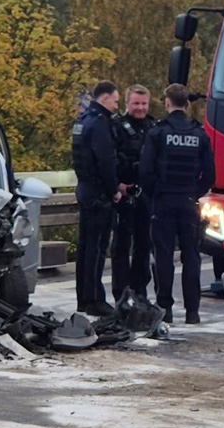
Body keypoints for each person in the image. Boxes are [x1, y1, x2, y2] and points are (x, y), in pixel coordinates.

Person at [139, 83, 215, 325]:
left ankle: (165, 309)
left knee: (163, 255)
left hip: (164, 201)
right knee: (191, 256)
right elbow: (210, 174)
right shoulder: (199, 134)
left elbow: (145, 171)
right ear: (187, 103)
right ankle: (192, 312)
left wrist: (155, 195)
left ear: (167, 102)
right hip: (188, 202)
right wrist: (194, 193)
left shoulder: (158, 132)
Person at [72, 81, 123, 316]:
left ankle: (83, 298)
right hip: (98, 193)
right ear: (104, 99)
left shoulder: (83, 120)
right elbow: (106, 161)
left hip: (84, 189)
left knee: (85, 248)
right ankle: (94, 299)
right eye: (115, 100)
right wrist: (114, 190)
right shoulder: (101, 124)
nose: (116, 105)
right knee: (97, 248)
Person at [112, 84, 156, 302]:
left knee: (144, 244)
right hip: (124, 192)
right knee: (121, 245)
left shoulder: (153, 127)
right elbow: (110, 161)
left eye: (144, 103)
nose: (140, 108)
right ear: (127, 104)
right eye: (136, 103)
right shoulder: (116, 127)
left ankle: (140, 291)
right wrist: (118, 186)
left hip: (146, 194)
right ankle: (120, 292)